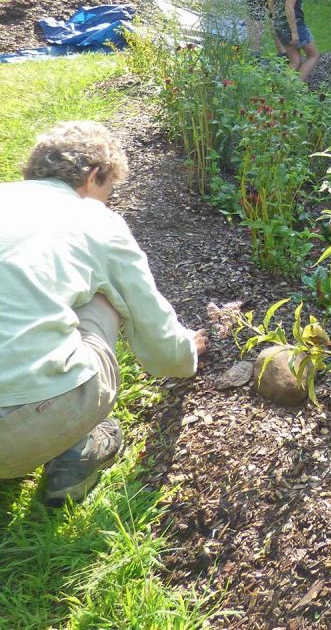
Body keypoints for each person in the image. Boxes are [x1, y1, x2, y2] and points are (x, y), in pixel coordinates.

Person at [0, 122, 208, 506]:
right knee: (103, 295)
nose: (109, 201)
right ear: (95, 175)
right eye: (110, 190)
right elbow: (151, 320)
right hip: (24, 428)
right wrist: (186, 354)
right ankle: (79, 447)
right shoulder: (95, 220)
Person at [268, 0, 321, 81]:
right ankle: (295, 87)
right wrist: (294, 32)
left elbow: (270, 0)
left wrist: (276, 19)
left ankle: (283, 88)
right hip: (295, 25)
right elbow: (289, 7)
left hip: (280, 24)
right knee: (313, 55)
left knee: (295, 61)